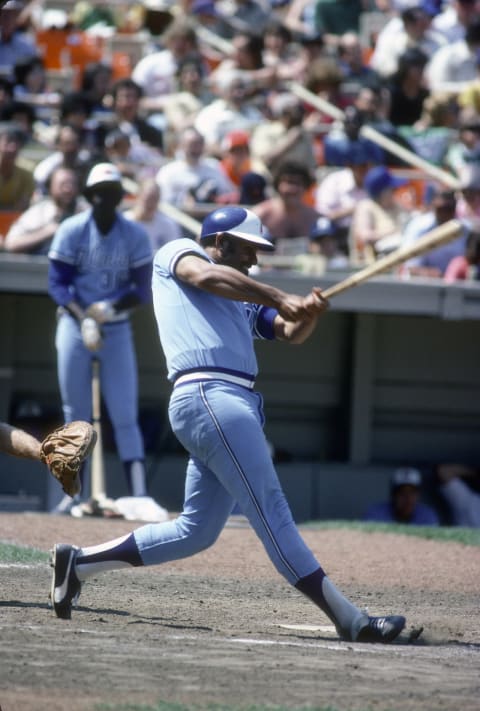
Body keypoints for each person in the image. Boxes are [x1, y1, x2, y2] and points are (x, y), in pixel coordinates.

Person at [50, 203, 407, 645]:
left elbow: (287, 333)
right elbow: (205, 277)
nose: (254, 259)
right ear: (220, 243)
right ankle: (351, 619)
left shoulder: (240, 297)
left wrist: (307, 315)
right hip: (209, 395)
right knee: (273, 512)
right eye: (246, 250)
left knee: (194, 532)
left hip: (227, 403)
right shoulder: (179, 252)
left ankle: (78, 563)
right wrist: (279, 295)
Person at [47, 162, 162, 512]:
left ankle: (139, 493)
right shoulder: (72, 229)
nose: (106, 200)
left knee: (125, 413)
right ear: (90, 196)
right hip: (74, 324)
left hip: (116, 326)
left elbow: (142, 289)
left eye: (112, 193)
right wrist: (84, 317)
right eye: (100, 193)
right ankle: (71, 496)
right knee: (75, 413)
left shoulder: (135, 233)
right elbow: (57, 282)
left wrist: (108, 311)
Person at [4, 166, 87, 255]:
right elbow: (11, 244)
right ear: (50, 187)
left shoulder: (86, 212)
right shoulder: (37, 212)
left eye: (72, 184)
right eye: (62, 184)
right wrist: (47, 232)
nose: (68, 189)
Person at [253, 160, 319, 255]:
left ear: (306, 187)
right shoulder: (261, 215)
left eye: (297, 183)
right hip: (267, 267)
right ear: (277, 185)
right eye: (288, 182)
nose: (292, 189)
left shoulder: (315, 218)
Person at [364, 467, 440, 525]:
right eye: (402, 492)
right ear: (393, 495)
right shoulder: (376, 514)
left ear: (418, 495)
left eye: (412, 492)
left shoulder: (427, 516)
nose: (408, 498)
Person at [123, 178, 182, 251]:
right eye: (148, 198)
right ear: (137, 196)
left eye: (154, 198)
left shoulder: (168, 225)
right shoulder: (123, 222)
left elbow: (175, 251)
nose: (150, 203)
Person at [0, 123, 34, 210]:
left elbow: (23, 204)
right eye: (8, 142)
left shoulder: (27, 172)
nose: (12, 148)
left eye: (16, 143)